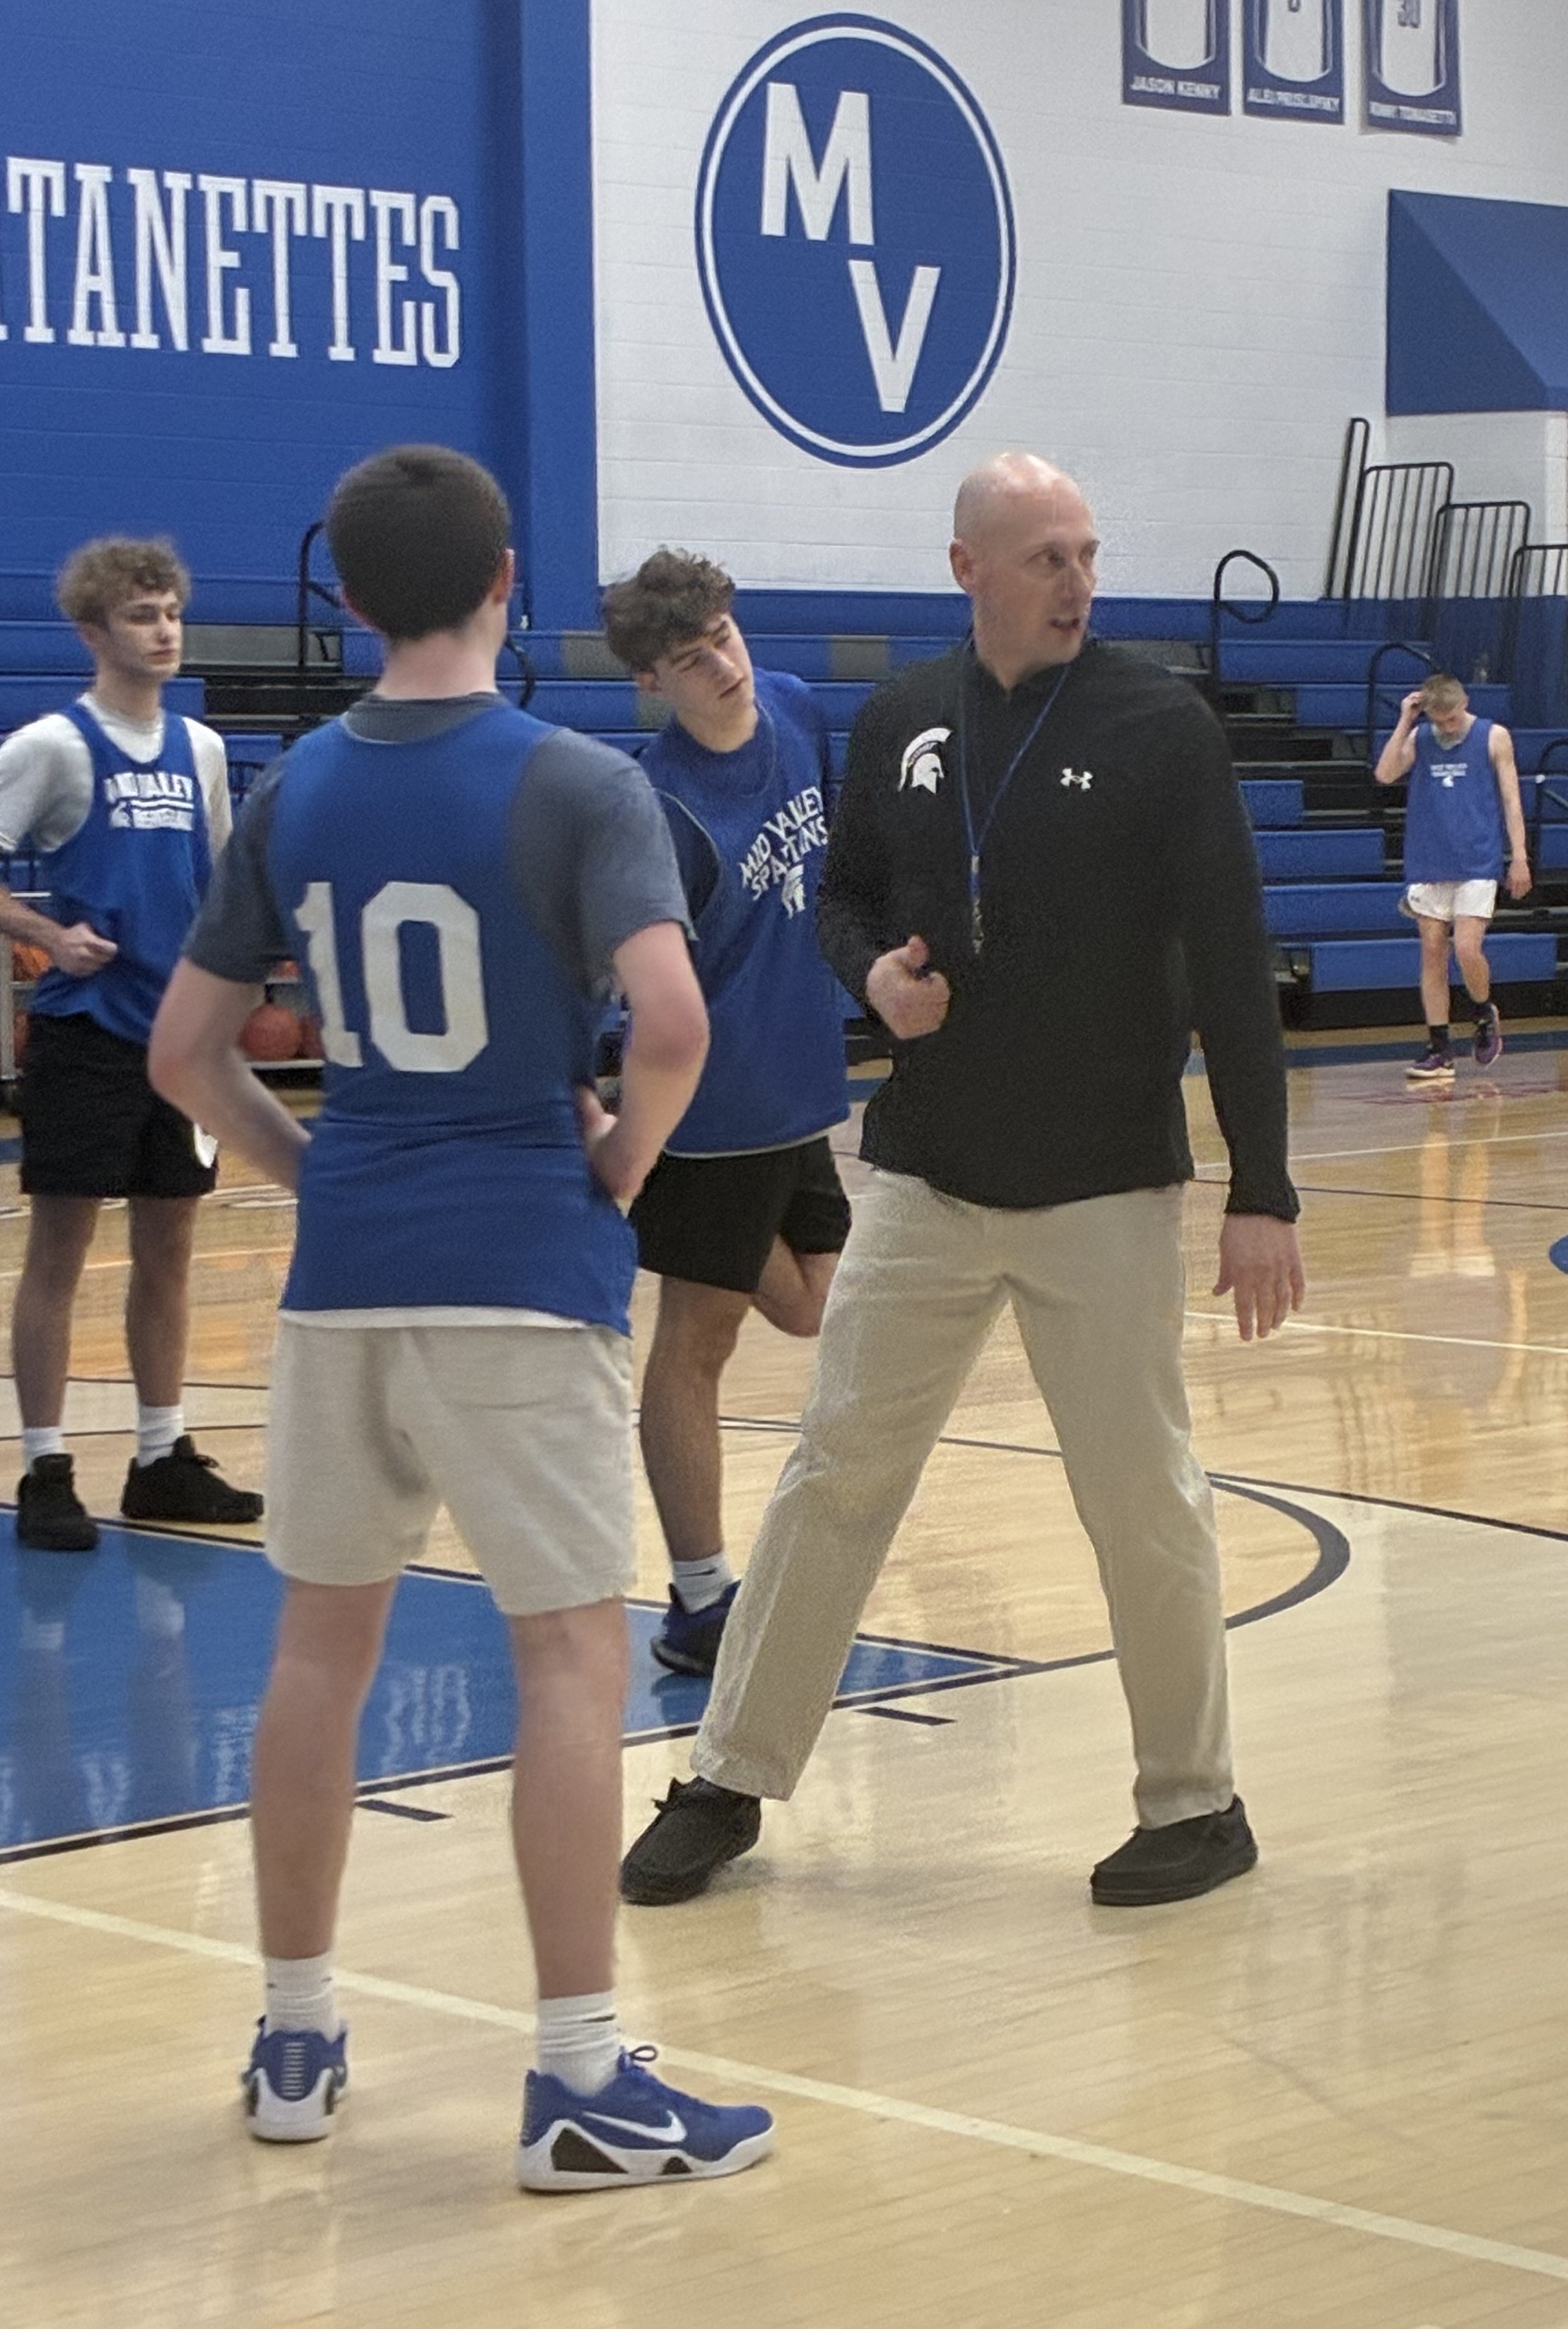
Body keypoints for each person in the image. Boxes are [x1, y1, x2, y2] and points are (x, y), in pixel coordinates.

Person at [149, 445, 772, 2193]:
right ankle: (578, 2072)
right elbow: (668, 1021)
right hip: (518, 1267)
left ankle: (290, 2031)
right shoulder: (577, 779)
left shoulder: (292, 792)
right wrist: (622, 1170)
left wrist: (309, 1167)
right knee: (570, 1652)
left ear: (346, 599)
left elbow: (183, 1054)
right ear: (508, 576)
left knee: (316, 1656)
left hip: (346, 1282)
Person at [620, 453, 1305, 1914]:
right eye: (1045, 555)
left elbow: (1235, 962)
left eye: (1085, 550)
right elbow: (846, 891)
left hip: (1104, 1184)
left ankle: (1196, 1801)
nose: (1076, 578)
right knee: (836, 1470)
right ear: (966, 568)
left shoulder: (1158, 726)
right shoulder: (898, 717)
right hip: (927, 1178)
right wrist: (869, 971)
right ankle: (729, 1770)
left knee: (1140, 1498)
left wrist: (1265, 1183)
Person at [600, 551, 850, 1676]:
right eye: (691, 658)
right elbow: (624, 976)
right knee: (694, 1347)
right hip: (707, 1113)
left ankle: (706, 1592)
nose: (722, 665)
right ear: (653, 679)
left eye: (725, 636)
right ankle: (698, 1596)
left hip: (798, 1086)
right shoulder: (652, 806)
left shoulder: (796, 709)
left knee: (809, 1307)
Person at [0, 536, 264, 1552]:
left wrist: (231, 991)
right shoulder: (52, 748)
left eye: (170, 613)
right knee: (60, 1253)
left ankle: (162, 1456)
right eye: (141, 617)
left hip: (181, 1040)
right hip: (87, 1039)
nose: (163, 631)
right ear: (92, 632)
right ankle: (46, 1466)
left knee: (171, 1250)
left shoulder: (198, 750)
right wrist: (45, 933)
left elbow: (221, 884)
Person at [1374, 675, 1530, 1083]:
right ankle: (1440, 1049)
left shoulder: (1494, 736)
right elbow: (1386, 774)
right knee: (1431, 953)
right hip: (1429, 859)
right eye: (1438, 720)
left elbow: (1512, 801)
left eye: (1452, 718)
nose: (1447, 727)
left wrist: (1520, 858)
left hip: (1478, 859)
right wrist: (1404, 723)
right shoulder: (1421, 736)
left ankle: (1482, 1010)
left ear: (1465, 704)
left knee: (1466, 948)